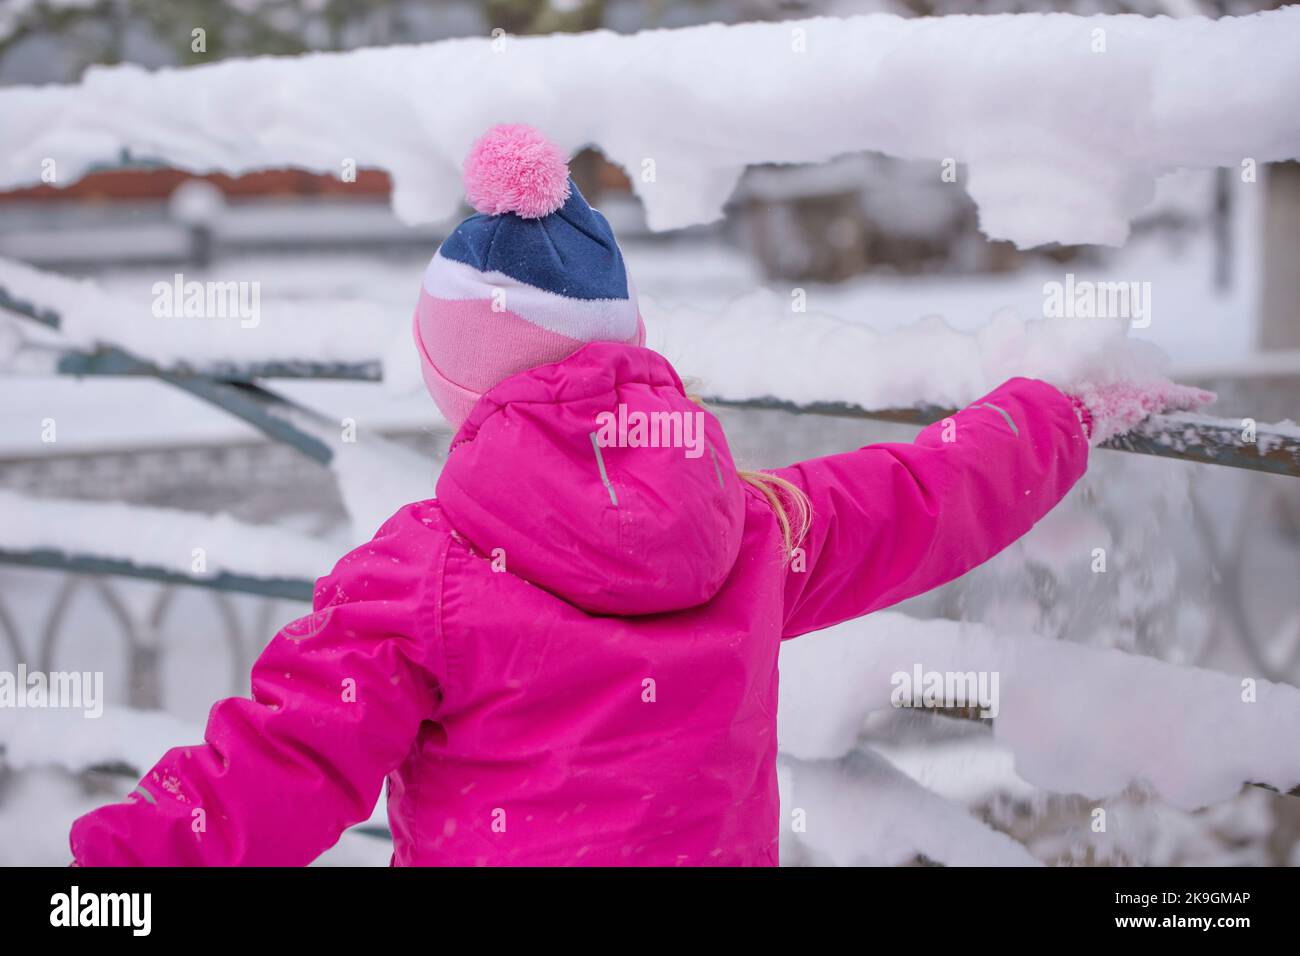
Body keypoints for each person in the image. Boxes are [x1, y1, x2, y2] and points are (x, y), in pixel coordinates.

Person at [69, 125, 1211, 866]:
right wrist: (1062, 411)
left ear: (461, 385)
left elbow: (276, 765)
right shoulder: (752, 524)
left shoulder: (424, 576)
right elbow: (923, 492)